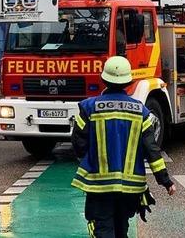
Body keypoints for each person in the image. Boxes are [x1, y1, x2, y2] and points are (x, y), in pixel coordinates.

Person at [71, 56, 176, 238]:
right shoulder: (141, 112)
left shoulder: (88, 108)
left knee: (102, 229)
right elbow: (152, 150)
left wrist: (90, 158)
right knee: (122, 229)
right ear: (129, 82)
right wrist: (166, 181)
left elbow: (78, 143)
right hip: (130, 189)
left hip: (99, 186)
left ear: (103, 79)